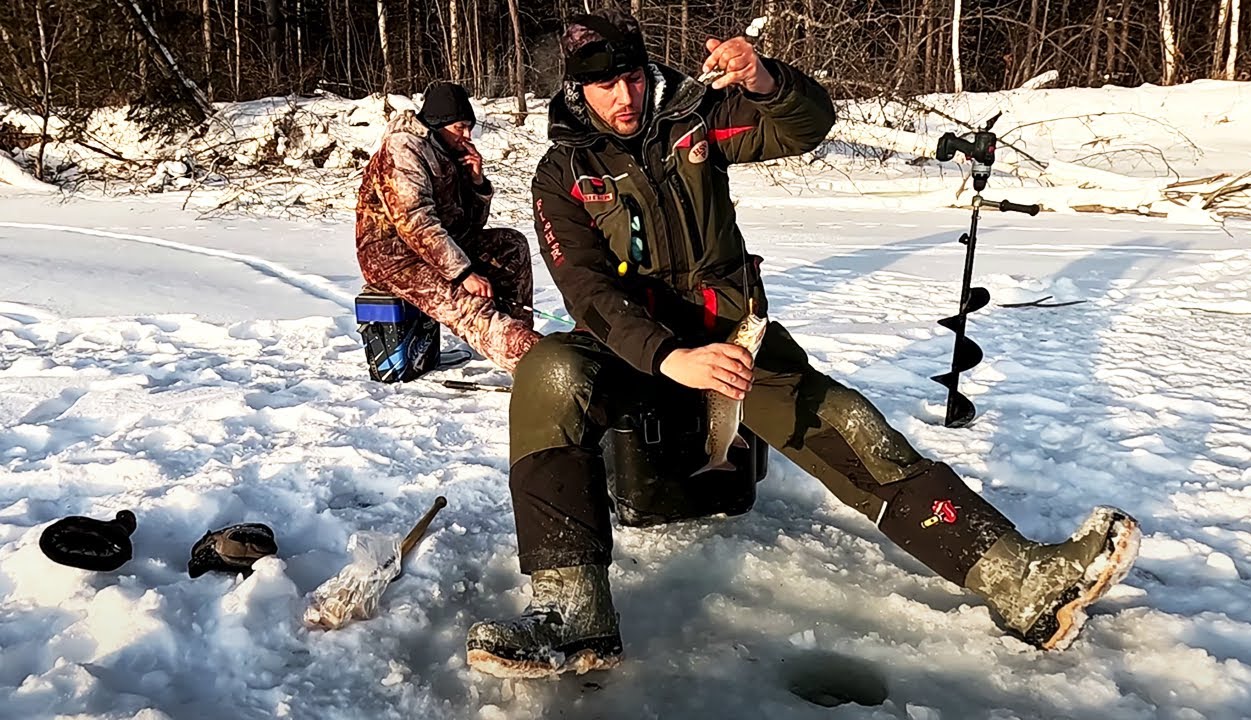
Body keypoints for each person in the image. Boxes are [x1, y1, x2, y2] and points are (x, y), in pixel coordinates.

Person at [465, 10, 1141, 678]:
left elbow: (804, 126)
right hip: (632, 351)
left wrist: (764, 81)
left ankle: (1020, 581)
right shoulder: (563, 172)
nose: (625, 97)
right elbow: (585, 289)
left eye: (634, 78)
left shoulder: (695, 120)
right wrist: (671, 356)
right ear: (575, 89)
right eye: (604, 84)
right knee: (549, 371)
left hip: (733, 344)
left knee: (853, 426)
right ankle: (574, 616)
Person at [355, 81, 539, 373]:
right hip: (395, 257)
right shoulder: (403, 148)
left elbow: (470, 224)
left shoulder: (445, 150)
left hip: (436, 247)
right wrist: (464, 273)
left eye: (469, 127)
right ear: (438, 122)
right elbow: (415, 222)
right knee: (467, 301)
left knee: (511, 245)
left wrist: (477, 182)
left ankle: (514, 338)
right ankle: (536, 366)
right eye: (460, 127)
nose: (467, 136)